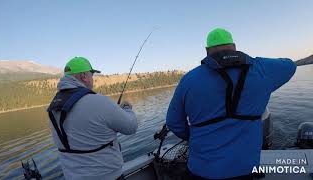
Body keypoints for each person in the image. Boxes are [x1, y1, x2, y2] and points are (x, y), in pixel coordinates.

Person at [166, 28, 296, 179]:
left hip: (202, 170)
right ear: (234, 46)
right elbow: (290, 65)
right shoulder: (261, 69)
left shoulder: (188, 80)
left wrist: (194, 136)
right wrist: (254, 61)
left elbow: (173, 122)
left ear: (207, 51)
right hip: (245, 168)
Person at [47, 57, 138, 180]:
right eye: (92, 74)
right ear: (84, 76)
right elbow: (131, 127)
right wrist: (127, 108)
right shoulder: (98, 101)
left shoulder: (54, 106)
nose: (93, 79)